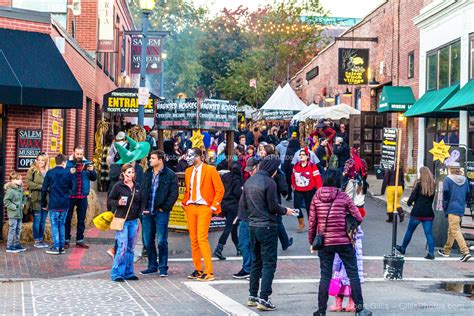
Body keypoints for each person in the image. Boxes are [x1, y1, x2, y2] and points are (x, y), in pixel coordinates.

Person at [308, 169, 371, 316]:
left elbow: (312, 222)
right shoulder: (344, 197)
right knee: (353, 274)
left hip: (324, 242)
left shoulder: (316, 197)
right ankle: (360, 309)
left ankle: (321, 310)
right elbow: (358, 217)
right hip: (344, 241)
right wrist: (348, 221)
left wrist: (312, 241)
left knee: (325, 276)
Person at [243, 155, 294, 311]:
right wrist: (286, 210)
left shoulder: (249, 181)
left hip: (253, 225)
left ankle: (252, 295)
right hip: (267, 226)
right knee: (269, 263)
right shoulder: (269, 182)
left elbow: (245, 205)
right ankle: (264, 298)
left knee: (256, 261)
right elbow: (273, 207)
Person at [182, 148, 225, 281]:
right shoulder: (188, 171)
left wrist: (212, 207)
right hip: (191, 207)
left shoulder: (210, 169)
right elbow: (188, 189)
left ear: (200, 157)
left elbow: (220, 189)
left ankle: (209, 271)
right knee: (194, 239)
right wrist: (185, 203)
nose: (188, 158)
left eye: (191, 155)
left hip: (204, 208)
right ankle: (198, 269)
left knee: (202, 238)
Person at [139, 150, 179, 276]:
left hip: (161, 212)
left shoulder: (170, 174)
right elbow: (141, 191)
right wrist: (142, 208)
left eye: (153, 158)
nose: (150, 160)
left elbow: (174, 193)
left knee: (162, 240)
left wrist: (164, 207)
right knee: (147, 241)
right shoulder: (147, 174)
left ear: (160, 160)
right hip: (147, 212)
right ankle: (152, 266)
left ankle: (163, 267)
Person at [108, 164, 145, 282]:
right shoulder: (118, 186)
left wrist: (141, 213)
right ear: (123, 173)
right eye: (128, 172)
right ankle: (117, 273)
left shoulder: (137, 186)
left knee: (130, 248)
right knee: (122, 247)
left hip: (133, 221)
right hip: (121, 220)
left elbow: (141, 201)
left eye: (132, 172)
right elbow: (110, 200)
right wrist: (118, 202)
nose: (131, 175)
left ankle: (129, 272)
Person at [395, 167, 436, 260]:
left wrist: (409, 203)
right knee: (429, 234)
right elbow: (432, 199)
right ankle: (431, 253)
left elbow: (413, 197)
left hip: (417, 212)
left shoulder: (419, 184)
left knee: (410, 231)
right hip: (428, 213)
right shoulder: (433, 185)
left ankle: (403, 248)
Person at [65, 146, 98, 249]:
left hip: (82, 195)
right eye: (77, 154)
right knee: (68, 218)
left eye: (80, 154)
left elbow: (94, 178)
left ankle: (79, 240)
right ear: (73, 152)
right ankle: (66, 240)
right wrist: (69, 172)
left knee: (81, 219)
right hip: (70, 194)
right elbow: (63, 177)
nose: (79, 156)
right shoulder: (68, 163)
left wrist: (92, 170)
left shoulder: (87, 163)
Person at [437, 163, 471, 262]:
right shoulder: (464, 180)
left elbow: (446, 194)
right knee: (451, 230)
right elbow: (468, 194)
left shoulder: (448, 179)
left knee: (455, 230)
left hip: (452, 207)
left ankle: (465, 252)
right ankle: (446, 251)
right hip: (460, 208)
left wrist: (445, 207)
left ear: (450, 169)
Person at [41, 154, 74, 255]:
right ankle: (61, 246)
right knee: (61, 224)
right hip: (64, 203)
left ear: (56, 162)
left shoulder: (50, 173)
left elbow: (44, 189)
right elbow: (71, 187)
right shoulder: (68, 173)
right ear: (64, 162)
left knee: (54, 225)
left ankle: (56, 247)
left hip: (54, 203)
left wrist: (43, 202)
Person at [233, 157, 260, 279]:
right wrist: (239, 215)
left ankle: (254, 269)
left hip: (254, 218)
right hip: (245, 216)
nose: (249, 172)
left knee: (253, 245)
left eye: (251, 170)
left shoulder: (261, 181)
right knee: (244, 243)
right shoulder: (249, 180)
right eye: (248, 170)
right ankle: (247, 267)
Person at [214, 162, 244, 260]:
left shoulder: (225, 177)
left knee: (233, 227)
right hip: (234, 207)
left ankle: (239, 248)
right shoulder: (238, 180)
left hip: (224, 205)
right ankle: (219, 248)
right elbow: (237, 193)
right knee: (229, 227)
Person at [292, 147, 323, 233]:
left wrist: (319, 189)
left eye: (303, 155)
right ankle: (301, 223)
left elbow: (318, 178)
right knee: (296, 206)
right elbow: (293, 177)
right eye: (300, 155)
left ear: (307, 156)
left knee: (310, 208)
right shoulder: (296, 165)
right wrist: (294, 185)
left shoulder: (313, 166)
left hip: (310, 190)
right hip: (298, 189)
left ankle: (312, 225)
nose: (301, 156)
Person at [26, 153, 49, 249]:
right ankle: (36, 240)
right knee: (37, 221)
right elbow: (29, 184)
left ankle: (41, 239)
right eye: (39, 160)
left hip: (46, 200)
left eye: (42, 160)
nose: (40, 162)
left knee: (43, 221)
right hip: (36, 199)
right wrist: (42, 187)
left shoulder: (49, 171)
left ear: (46, 161)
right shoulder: (32, 170)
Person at [4, 172, 26, 253]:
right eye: (18, 179)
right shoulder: (10, 190)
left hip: (19, 214)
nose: (20, 180)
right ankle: (9, 246)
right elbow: (6, 201)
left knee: (18, 229)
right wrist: (15, 207)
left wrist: (23, 203)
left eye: (20, 179)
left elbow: (23, 197)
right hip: (13, 214)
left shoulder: (20, 189)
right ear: (12, 180)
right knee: (12, 229)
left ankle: (16, 244)